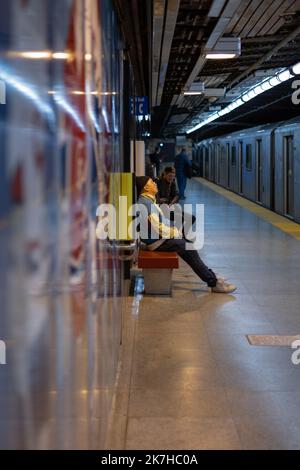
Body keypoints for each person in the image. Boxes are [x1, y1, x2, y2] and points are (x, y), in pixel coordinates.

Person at [135, 175, 236, 293]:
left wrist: (174, 231)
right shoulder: (146, 203)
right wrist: (175, 232)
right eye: (152, 182)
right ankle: (214, 282)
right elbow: (157, 227)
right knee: (189, 248)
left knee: (188, 246)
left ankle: (211, 276)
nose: (155, 184)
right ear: (146, 187)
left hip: (158, 239)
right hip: (156, 242)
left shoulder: (147, 200)